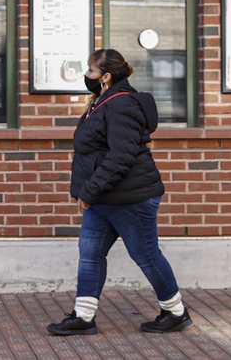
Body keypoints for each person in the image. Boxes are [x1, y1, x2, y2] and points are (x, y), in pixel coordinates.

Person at [46, 48, 193, 336]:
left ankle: (175, 311)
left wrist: (88, 191)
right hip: (104, 198)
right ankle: (84, 316)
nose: (86, 76)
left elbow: (121, 157)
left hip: (130, 198)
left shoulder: (120, 104)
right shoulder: (102, 100)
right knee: (90, 254)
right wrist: (88, 191)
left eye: (90, 71)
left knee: (146, 255)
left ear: (106, 76)